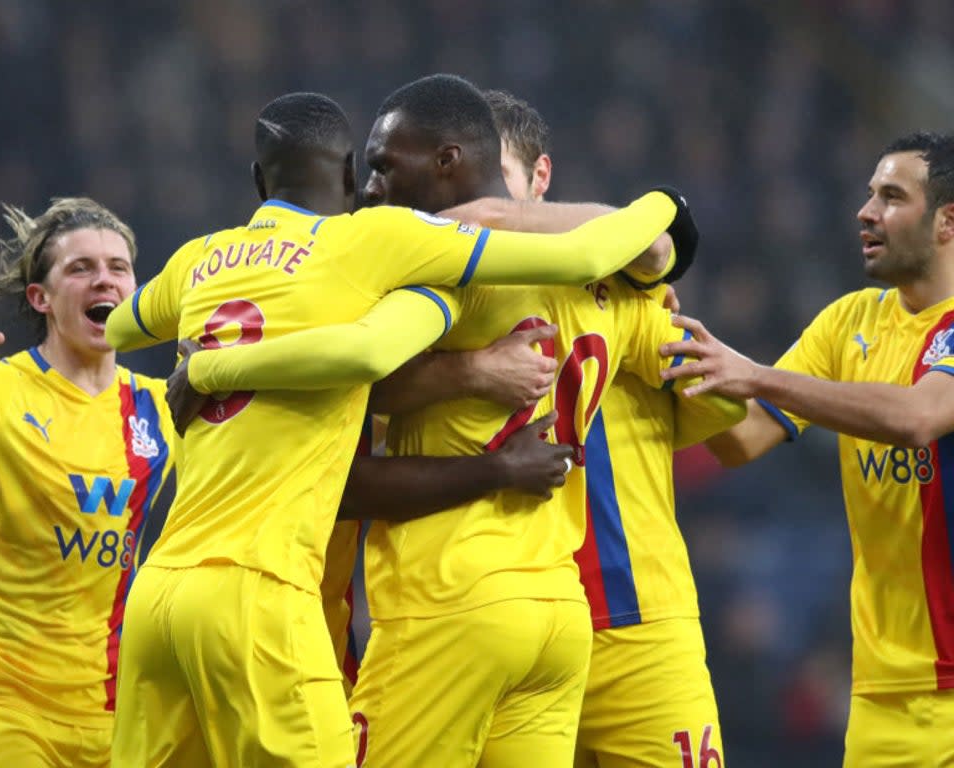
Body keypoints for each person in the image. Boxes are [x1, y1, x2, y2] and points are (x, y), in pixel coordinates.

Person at [104, 91, 689, 767]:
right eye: (370, 171)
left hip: (238, 589)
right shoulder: (392, 251)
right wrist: (666, 207)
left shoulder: (202, 258)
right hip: (551, 611)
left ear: (260, 180)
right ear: (346, 176)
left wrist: (205, 365)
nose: (378, 188)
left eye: (388, 168)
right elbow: (604, 261)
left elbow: (119, 327)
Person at [659, 131, 954, 767]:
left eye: (892, 197)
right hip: (881, 698)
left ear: (947, 222)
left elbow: (920, 417)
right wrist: (664, 347)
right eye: (870, 193)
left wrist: (755, 373)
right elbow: (742, 441)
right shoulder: (849, 323)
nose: (865, 211)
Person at [482, 87, 732, 768]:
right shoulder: (436, 299)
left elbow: (725, 413)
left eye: (496, 178)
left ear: (540, 179)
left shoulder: (620, 284)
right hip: (501, 625)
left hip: (636, 619)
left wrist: (652, 297)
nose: (482, 204)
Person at [0, 198, 175, 768]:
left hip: (115, 708)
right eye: (80, 268)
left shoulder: (161, 407)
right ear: (41, 298)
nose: (103, 280)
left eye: (118, 267)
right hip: (3, 700)